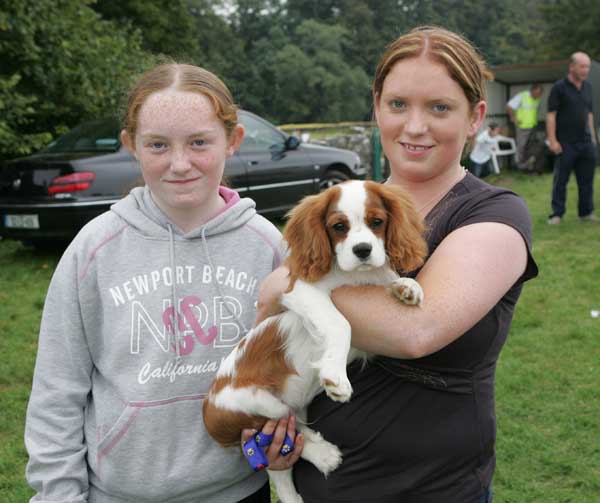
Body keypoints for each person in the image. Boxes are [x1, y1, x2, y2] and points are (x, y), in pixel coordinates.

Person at [258, 26, 538, 502]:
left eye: (440, 108)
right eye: (398, 104)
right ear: (377, 106)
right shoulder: (341, 211)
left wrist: (286, 283)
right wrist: (271, 421)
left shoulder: (494, 214)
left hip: (435, 488)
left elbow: (416, 332)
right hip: (321, 484)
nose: (413, 126)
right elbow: (273, 334)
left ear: (476, 117)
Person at [24, 63, 302, 503]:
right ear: (131, 146)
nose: (179, 164)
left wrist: (282, 443)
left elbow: (289, 370)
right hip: (117, 494)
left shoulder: (268, 247)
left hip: (236, 492)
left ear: (233, 141)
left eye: (199, 142)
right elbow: (57, 391)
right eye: (157, 144)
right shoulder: (94, 249)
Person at [547, 51, 598, 224]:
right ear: (572, 67)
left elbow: (589, 114)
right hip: (565, 143)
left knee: (587, 180)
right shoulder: (559, 87)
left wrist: (593, 139)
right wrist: (553, 140)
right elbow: (551, 115)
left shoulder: (588, 87)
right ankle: (557, 214)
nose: (586, 70)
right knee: (561, 181)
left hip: (585, 143)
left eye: (588, 67)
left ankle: (586, 212)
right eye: (582, 66)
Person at [506, 84, 543, 171]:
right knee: (521, 146)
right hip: (522, 127)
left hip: (532, 126)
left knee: (531, 147)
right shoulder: (522, 96)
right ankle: (519, 166)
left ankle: (528, 166)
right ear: (532, 90)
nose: (538, 96)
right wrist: (513, 118)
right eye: (537, 93)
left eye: (540, 94)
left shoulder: (537, 99)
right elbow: (509, 107)